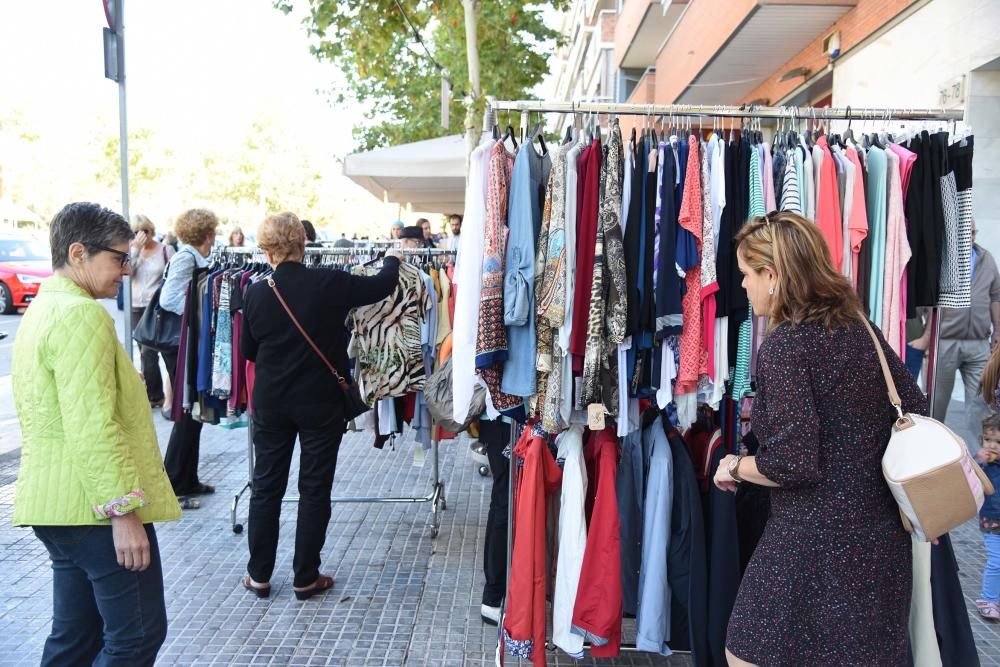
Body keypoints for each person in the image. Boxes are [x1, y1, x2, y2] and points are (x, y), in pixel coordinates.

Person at [712, 211, 926, 666]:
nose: (744, 287)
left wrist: (732, 467)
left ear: (773, 276)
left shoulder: (788, 346)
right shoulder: (860, 328)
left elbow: (792, 463)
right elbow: (915, 408)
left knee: (744, 652)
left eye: (747, 275)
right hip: (879, 543)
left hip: (809, 545)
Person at [11, 202, 181, 666]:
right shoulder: (79, 315)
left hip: (59, 506)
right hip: (94, 510)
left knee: (75, 639)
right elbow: (91, 421)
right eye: (119, 258)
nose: (126, 270)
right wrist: (122, 511)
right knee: (136, 638)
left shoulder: (46, 307)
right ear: (79, 252)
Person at [240, 212, 401, 600]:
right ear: (303, 243)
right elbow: (382, 284)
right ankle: (305, 575)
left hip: (272, 402)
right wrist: (393, 257)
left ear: (265, 250)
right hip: (320, 401)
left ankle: (259, 574)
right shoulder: (330, 281)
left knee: (266, 487)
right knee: (314, 488)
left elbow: (248, 350)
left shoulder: (257, 291)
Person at [913, 219, 1000, 440]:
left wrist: (997, 332)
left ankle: (978, 463)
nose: (970, 238)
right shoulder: (942, 259)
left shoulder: (986, 259)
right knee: (935, 404)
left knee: (981, 404)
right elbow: (928, 299)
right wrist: (927, 337)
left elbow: (995, 296)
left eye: (973, 233)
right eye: (965, 233)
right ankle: (931, 456)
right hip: (944, 341)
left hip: (978, 342)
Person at [159, 208, 219, 508]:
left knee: (194, 411)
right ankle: (172, 482)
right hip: (178, 343)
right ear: (207, 232)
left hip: (187, 341)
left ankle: (187, 478)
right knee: (186, 412)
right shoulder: (186, 258)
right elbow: (168, 299)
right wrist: (197, 317)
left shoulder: (195, 256)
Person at [129, 214, 175, 407]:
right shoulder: (132, 252)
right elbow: (127, 274)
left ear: (151, 230)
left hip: (155, 307)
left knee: (153, 351)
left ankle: (158, 395)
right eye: (136, 232)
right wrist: (135, 251)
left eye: (145, 231)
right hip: (135, 306)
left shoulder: (166, 250)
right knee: (144, 352)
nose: (141, 235)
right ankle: (154, 394)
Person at [976, 413, 1000, 620]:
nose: (992, 445)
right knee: (996, 561)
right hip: (992, 519)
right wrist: (980, 462)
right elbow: (972, 476)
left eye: (998, 441)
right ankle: (987, 599)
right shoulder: (983, 463)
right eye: (987, 439)